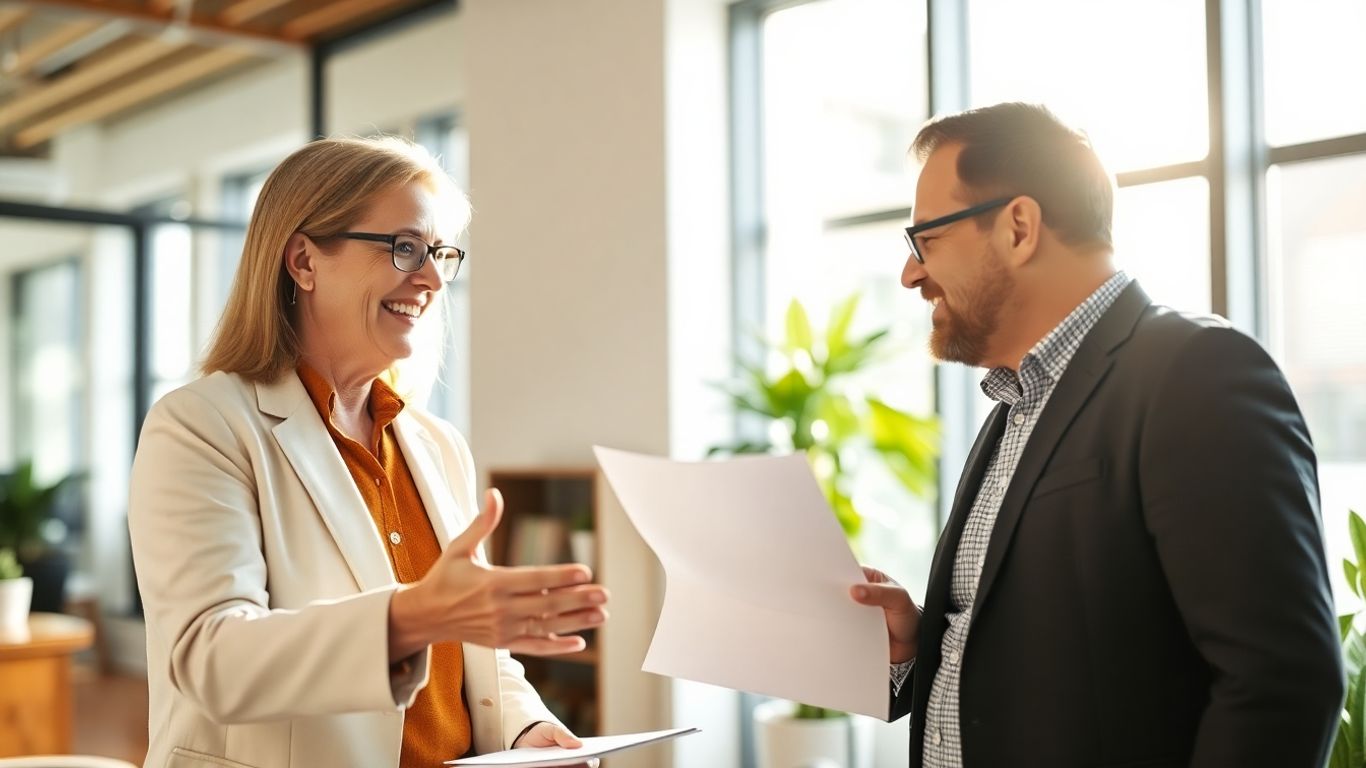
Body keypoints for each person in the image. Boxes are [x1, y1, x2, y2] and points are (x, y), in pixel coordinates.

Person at [849, 103, 1344, 768]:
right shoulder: (1012, 407)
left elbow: (1282, 683)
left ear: (1018, 227)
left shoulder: (1198, 375)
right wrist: (923, 643)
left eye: (926, 241)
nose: (911, 273)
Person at [128, 136, 607, 768]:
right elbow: (213, 659)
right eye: (405, 248)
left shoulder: (438, 447)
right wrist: (413, 615)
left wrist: (525, 732)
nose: (433, 278)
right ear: (303, 261)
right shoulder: (199, 427)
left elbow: (477, 664)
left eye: (440, 253)